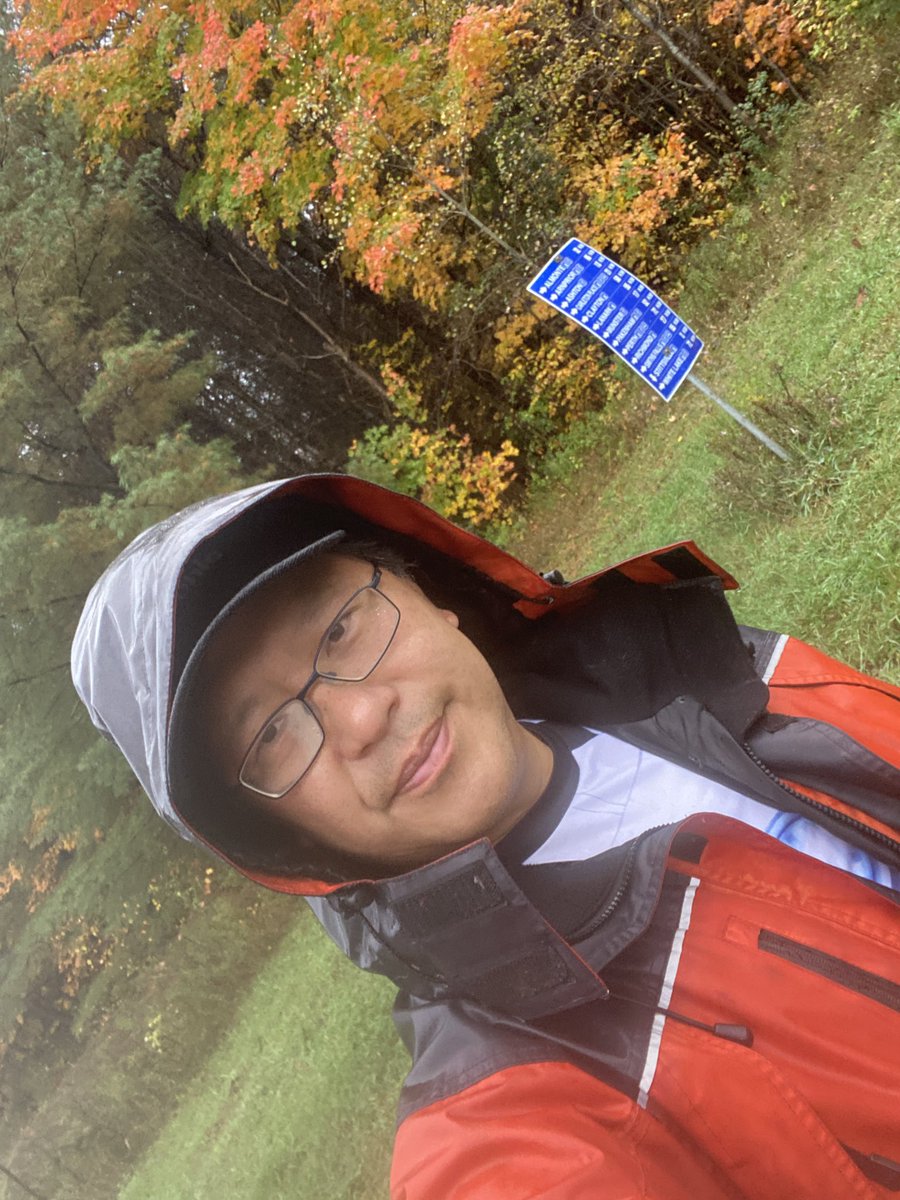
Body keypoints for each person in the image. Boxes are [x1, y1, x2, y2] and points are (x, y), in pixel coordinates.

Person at [72, 472, 900, 1199]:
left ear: (429, 595)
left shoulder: (691, 667)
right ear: (286, 843)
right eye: (274, 736)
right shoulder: (506, 1106)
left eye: (340, 631)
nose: (361, 717)